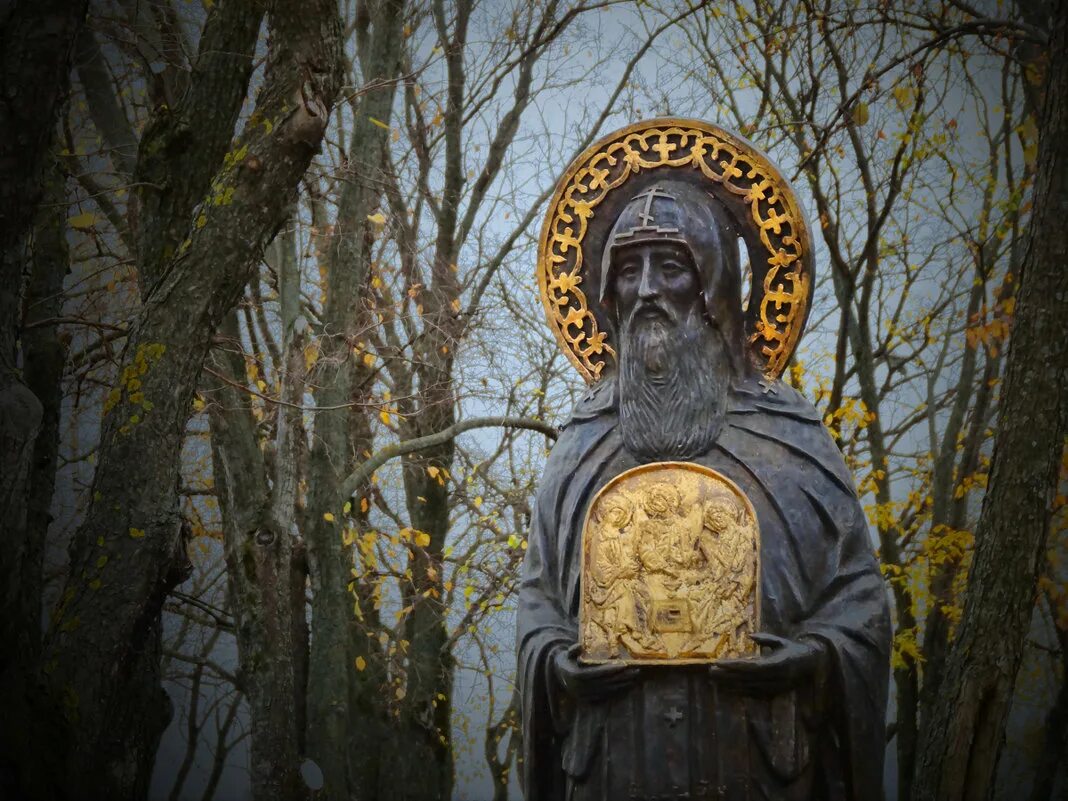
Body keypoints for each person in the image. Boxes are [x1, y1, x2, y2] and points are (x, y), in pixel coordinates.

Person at [517, 179, 891, 800]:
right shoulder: (579, 444)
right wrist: (557, 667)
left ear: (716, 286)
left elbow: (859, 602)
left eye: (671, 266)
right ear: (607, 293)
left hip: (754, 759)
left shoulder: (790, 437)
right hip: (614, 762)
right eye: (628, 270)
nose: (647, 290)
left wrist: (814, 659)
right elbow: (539, 601)